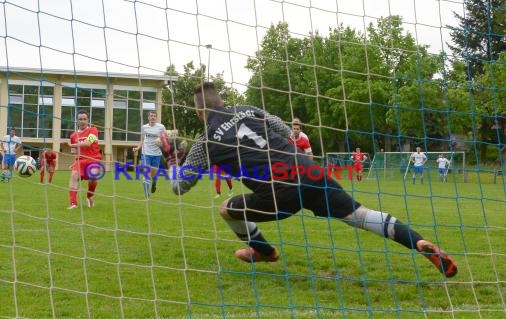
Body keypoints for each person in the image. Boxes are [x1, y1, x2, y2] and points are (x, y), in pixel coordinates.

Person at [170, 82, 457, 278]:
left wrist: (171, 158)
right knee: (360, 215)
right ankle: (419, 243)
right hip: (309, 170)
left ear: (199, 113)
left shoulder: (204, 141)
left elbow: (180, 187)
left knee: (225, 209)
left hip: (280, 192)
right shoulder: (247, 108)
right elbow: (283, 127)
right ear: (222, 101)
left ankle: (265, 252)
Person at [67, 110, 102, 209]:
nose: (82, 121)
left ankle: (89, 196)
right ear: (77, 121)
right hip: (80, 160)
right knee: (74, 176)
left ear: (87, 120)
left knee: (93, 177)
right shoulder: (73, 136)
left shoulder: (93, 130)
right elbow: (77, 151)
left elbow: (88, 143)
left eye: (84, 119)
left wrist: (72, 145)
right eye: (80, 119)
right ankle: (73, 203)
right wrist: (74, 162)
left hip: (93, 158)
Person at [134, 111, 166, 199]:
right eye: (151, 116)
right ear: (148, 117)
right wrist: (137, 148)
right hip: (146, 153)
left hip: (157, 154)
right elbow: (142, 139)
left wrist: (162, 143)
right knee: (146, 174)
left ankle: (154, 182)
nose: (153, 117)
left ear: (156, 118)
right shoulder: (144, 127)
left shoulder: (161, 127)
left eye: (154, 116)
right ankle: (147, 195)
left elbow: (165, 138)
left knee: (153, 175)